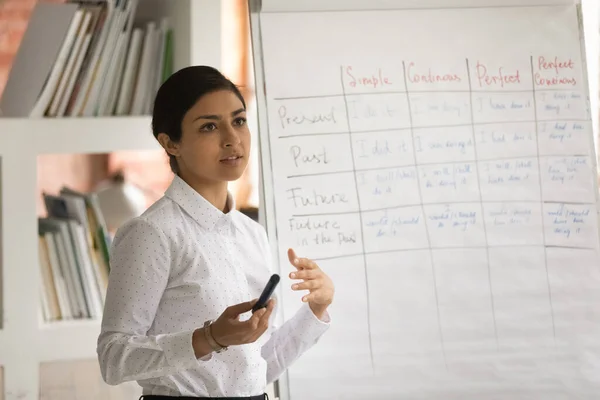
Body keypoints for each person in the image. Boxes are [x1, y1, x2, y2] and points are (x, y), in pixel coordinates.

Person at [97, 66, 335, 399]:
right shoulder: (151, 233)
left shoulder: (251, 233)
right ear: (171, 143)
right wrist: (209, 338)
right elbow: (113, 359)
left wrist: (316, 310)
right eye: (209, 126)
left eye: (239, 120)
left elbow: (256, 368)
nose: (232, 138)